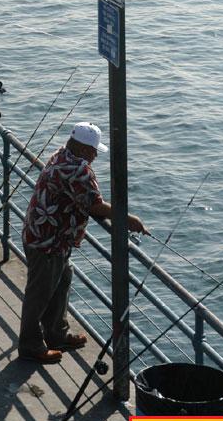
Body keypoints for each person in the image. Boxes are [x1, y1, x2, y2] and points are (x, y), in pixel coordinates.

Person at [18, 121, 149, 363]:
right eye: (93, 150)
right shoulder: (78, 169)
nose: (95, 155)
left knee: (61, 282)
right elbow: (94, 205)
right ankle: (30, 345)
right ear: (80, 149)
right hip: (47, 240)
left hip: (45, 234)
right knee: (39, 294)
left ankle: (57, 334)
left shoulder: (61, 153)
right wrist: (128, 219)